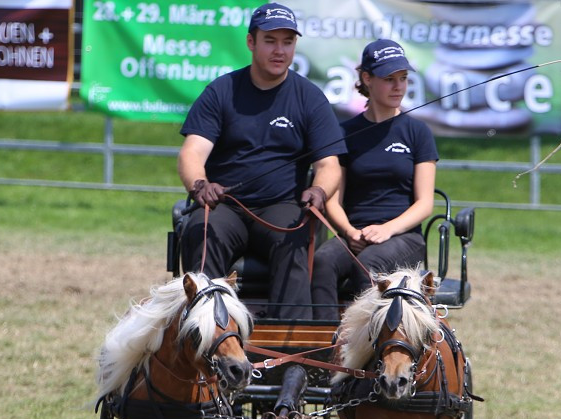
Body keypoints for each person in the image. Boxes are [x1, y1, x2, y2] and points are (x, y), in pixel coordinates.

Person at [177, 2, 346, 322]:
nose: (279, 50)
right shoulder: (221, 91)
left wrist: (320, 192)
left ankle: (291, 350)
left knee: (297, 231)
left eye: (287, 41)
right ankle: (208, 334)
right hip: (226, 205)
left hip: (281, 206)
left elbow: (329, 164)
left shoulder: (309, 97)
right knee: (200, 229)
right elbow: (192, 152)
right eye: (270, 40)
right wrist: (199, 185)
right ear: (251, 42)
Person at [310, 39, 439, 322]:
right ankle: (325, 349)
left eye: (403, 79)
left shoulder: (418, 132)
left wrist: (387, 230)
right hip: (354, 234)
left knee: (369, 263)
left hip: (403, 236)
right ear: (367, 79)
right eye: (389, 79)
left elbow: (425, 203)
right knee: (322, 261)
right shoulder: (345, 132)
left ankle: (368, 349)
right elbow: (333, 198)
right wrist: (348, 232)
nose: (398, 87)